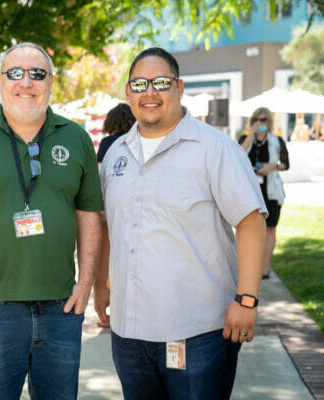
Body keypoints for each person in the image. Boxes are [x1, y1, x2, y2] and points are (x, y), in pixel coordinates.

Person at [94, 47, 268, 400]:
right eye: (140, 84)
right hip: (130, 335)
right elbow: (108, 227)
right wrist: (101, 287)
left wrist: (247, 300)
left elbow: (251, 221)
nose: (150, 92)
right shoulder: (115, 154)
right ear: (128, 93)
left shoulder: (214, 148)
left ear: (179, 87)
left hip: (197, 333)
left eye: (160, 82)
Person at [0, 42, 103, 399]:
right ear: (0, 80)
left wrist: (85, 283)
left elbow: (89, 216)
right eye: (16, 73)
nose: (26, 82)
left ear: (51, 82)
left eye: (37, 73)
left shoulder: (76, 138)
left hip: (61, 309)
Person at [238, 107, 289, 279]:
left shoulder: (276, 140)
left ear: (269, 122)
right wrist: (251, 134)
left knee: (269, 229)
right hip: (250, 189)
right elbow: (237, 156)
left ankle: (265, 268)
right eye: (255, 120)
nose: (259, 123)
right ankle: (248, 266)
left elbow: (285, 164)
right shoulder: (245, 139)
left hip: (271, 190)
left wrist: (272, 166)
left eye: (262, 120)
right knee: (248, 228)